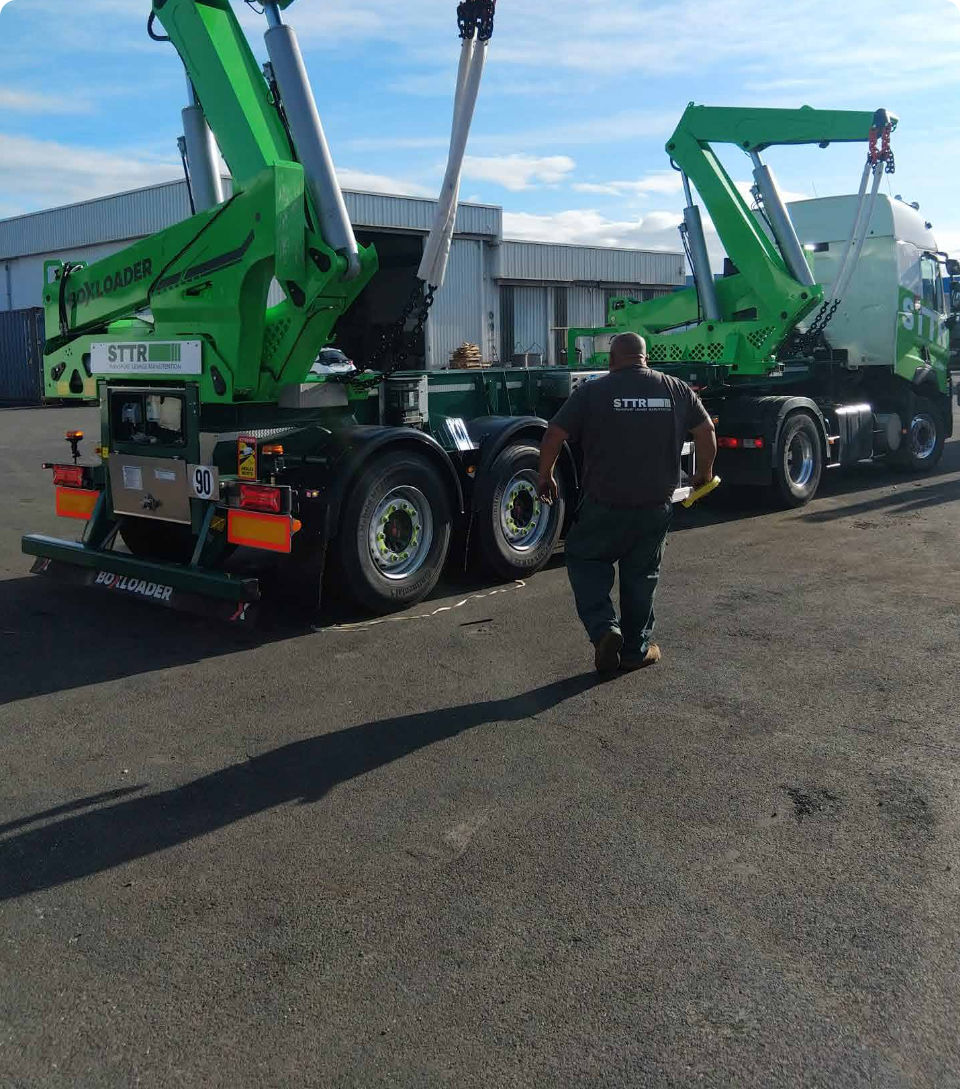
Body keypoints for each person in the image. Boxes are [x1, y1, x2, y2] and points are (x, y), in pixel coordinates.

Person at [537, 331, 717, 675]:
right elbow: (706, 430)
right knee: (642, 575)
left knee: (586, 558)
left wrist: (544, 475)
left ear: (611, 360)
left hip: (605, 503)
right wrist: (703, 474)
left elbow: (554, 434)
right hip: (654, 506)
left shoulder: (593, 391)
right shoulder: (675, 389)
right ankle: (636, 651)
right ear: (645, 357)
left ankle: (605, 629)